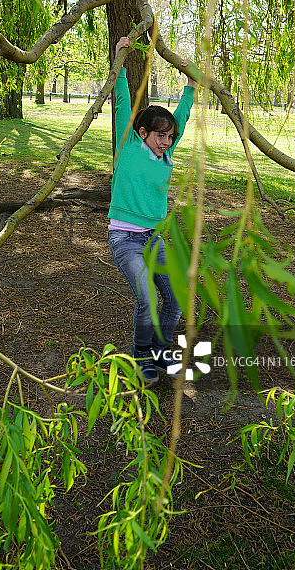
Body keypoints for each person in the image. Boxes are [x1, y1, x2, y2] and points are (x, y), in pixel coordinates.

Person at [107, 35, 197, 383]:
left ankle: (160, 351)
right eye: (160, 136)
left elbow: (181, 118)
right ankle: (141, 354)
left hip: (154, 238)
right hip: (125, 239)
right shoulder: (129, 145)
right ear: (143, 132)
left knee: (174, 300)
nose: (166, 141)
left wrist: (190, 86)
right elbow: (122, 100)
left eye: (170, 137)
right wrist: (120, 58)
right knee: (147, 299)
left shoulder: (166, 154)